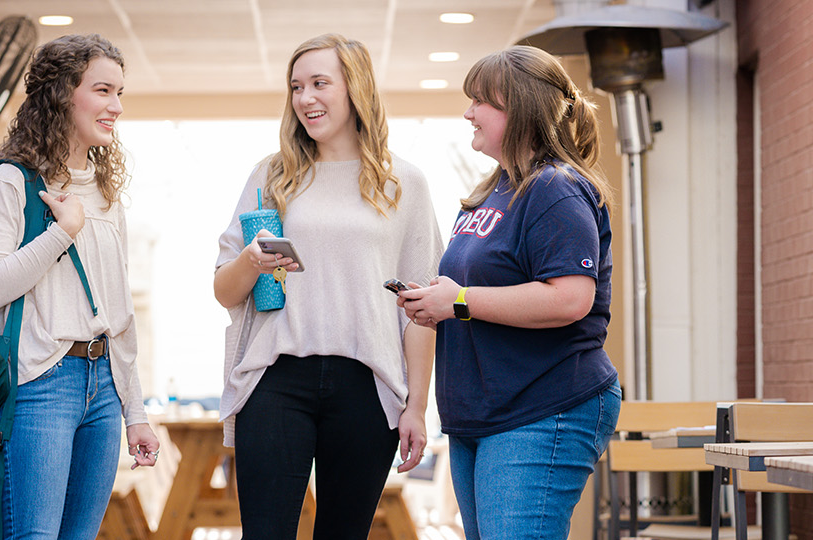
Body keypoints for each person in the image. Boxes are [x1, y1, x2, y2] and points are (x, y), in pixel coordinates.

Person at [212, 33, 443, 540]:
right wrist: (252, 260)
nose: (305, 98)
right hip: (275, 379)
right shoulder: (272, 176)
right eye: (296, 87)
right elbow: (225, 292)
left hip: (368, 385)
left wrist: (417, 407)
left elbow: (420, 310)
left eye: (320, 83)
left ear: (355, 89)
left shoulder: (403, 183)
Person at [396, 45, 622, 539]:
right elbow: (479, 294)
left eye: (480, 100)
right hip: (483, 413)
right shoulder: (492, 192)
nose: (468, 112)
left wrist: (459, 301)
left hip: (542, 405)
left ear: (520, 109)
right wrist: (438, 302)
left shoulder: (555, 188)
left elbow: (570, 298)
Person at [0, 33, 158, 539]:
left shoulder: (104, 191)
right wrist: (62, 232)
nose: (116, 106)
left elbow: (118, 313)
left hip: (104, 387)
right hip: (39, 385)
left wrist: (135, 412)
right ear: (61, 93)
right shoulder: (11, 181)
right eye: (102, 91)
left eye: (119, 93)